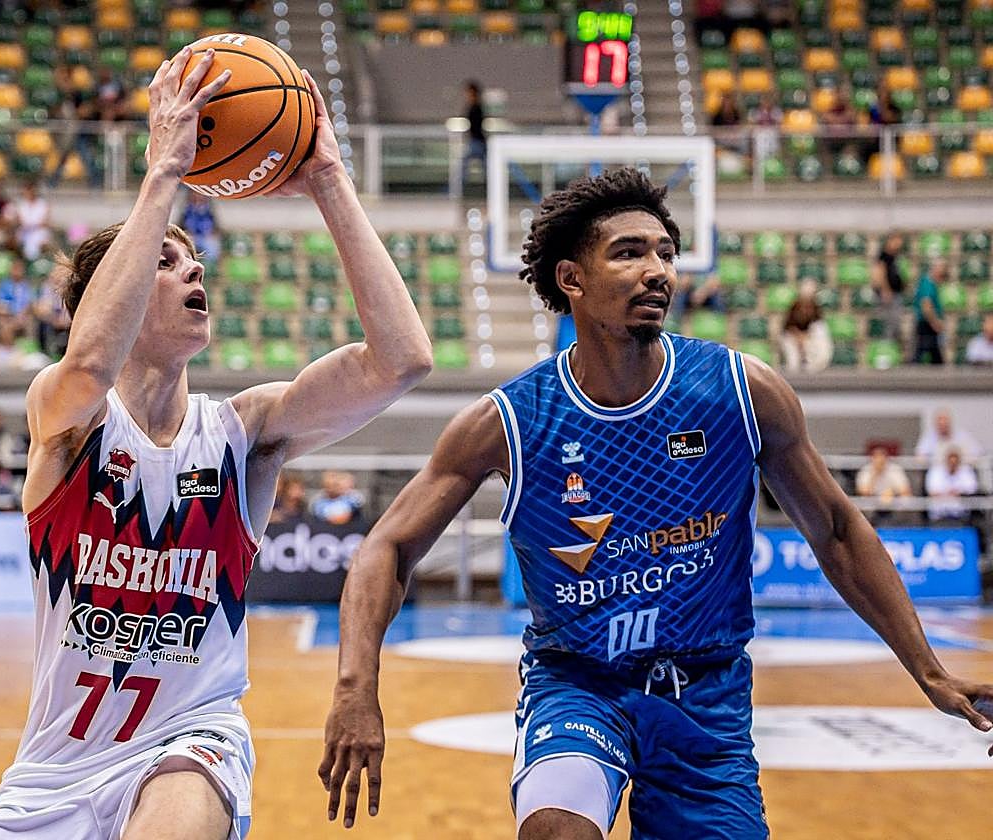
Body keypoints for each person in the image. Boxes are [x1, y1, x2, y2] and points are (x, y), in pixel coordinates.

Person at [320, 169, 993, 839]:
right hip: (579, 683)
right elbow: (389, 546)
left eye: (665, 253)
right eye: (628, 252)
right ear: (571, 280)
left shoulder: (740, 390)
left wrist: (927, 668)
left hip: (707, 695)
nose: (657, 270)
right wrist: (355, 690)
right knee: (558, 830)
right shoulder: (510, 421)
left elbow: (839, 531)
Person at [0, 49, 432, 840]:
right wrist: (164, 172)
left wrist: (327, 179)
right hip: (50, 771)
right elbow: (86, 362)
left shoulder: (241, 433)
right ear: (107, 296)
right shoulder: (67, 413)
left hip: (190, 744)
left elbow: (402, 361)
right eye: (166, 259)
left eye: (193, 256)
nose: (194, 268)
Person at [780, 280, 831, 373]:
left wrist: (806, 342)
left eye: (808, 306)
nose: (805, 311)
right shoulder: (790, 322)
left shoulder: (819, 327)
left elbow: (823, 355)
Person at [925, 447, 979, 525]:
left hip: (960, 513)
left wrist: (958, 493)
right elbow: (932, 491)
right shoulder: (935, 471)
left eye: (955, 463)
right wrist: (950, 493)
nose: (952, 465)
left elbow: (972, 489)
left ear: (959, 462)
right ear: (946, 461)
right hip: (939, 513)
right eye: (950, 462)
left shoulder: (966, 470)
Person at [915, 408, 984, 465]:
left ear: (950, 423)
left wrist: (961, 460)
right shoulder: (929, 437)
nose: (943, 426)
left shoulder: (962, 435)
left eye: (945, 423)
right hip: (937, 471)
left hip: (961, 470)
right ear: (935, 424)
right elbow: (920, 457)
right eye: (940, 424)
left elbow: (978, 452)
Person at [873, 232, 907, 343]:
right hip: (889, 295)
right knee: (890, 322)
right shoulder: (884, 255)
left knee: (895, 322)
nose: (899, 244)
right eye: (897, 240)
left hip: (896, 294)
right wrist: (885, 290)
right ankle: (887, 346)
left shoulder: (895, 256)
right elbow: (879, 273)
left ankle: (892, 345)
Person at [912, 257, 947, 365]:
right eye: (943, 268)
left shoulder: (931, 283)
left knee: (933, 353)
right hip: (926, 324)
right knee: (923, 352)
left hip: (928, 324)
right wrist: (935, 322)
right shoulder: (927, 283)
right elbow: (926, 305)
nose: (945, 271)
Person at [13, 180, 51, 261]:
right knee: (15, 242)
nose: (29, 192)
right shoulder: (21, 205)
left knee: (44, 243)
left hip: (39, 231)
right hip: (25, 232)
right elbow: (19, 221)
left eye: (31, 190)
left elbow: (45, 222)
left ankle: (40, 262)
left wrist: (32, 224)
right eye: (27, 190)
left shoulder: (42, 204)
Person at [461, 80, 486, 191]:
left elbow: (476, 125)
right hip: (476, 140)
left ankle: (460, 187)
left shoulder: (476, 107)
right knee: (484, 165)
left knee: (465, 163)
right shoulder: (475, 107)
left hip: (477, 141)